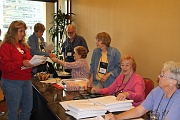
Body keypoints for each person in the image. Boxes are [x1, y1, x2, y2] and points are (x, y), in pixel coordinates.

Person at [105, 61, 180, 120]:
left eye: (162, 75)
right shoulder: (157, 91)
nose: (158, 76)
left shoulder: (178, 99)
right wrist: (117, 117)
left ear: (172, 82)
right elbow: (139, 110)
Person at [0, 20, 34, 120]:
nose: (23, 34)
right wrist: (21, 63)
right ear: (13, 31)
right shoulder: (5, 46)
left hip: (26, 81)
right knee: (13, 112)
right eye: (21, 31)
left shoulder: (24, 46)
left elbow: (28, 61)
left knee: (28, 109)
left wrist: (35, 62)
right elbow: (4, 66)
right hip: (12, 82)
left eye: (24, 31)